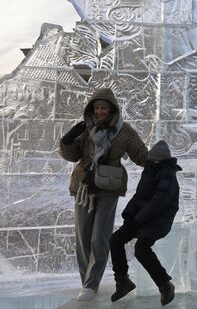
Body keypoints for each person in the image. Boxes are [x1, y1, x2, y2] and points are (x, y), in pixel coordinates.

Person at [59, 88, 148, 302]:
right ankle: (86, 284)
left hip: (109, 186)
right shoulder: (85, 129)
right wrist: (68, 139)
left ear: (112, 109)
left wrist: (160, 160)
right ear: (92, 108)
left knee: (100, 237)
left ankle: (91, 285)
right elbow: (71, 156)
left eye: (104, 108)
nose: (100, 111)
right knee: (83, 238)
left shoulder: (124, 131)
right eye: (97, 107)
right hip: (83, 187)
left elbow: (141, 155)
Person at [109, 140, 181, 306]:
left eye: (156, 161)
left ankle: (165, 285)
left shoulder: (168, 175)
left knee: (141, 249)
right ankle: (122, 281)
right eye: (152, 160)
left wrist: (137, 220)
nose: (153, 163)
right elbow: (139, 196)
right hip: (141, 217)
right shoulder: (150, 170)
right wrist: (129, 214)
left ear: (162, 161)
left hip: (159, 219)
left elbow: (158, 202)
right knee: (115, 240)